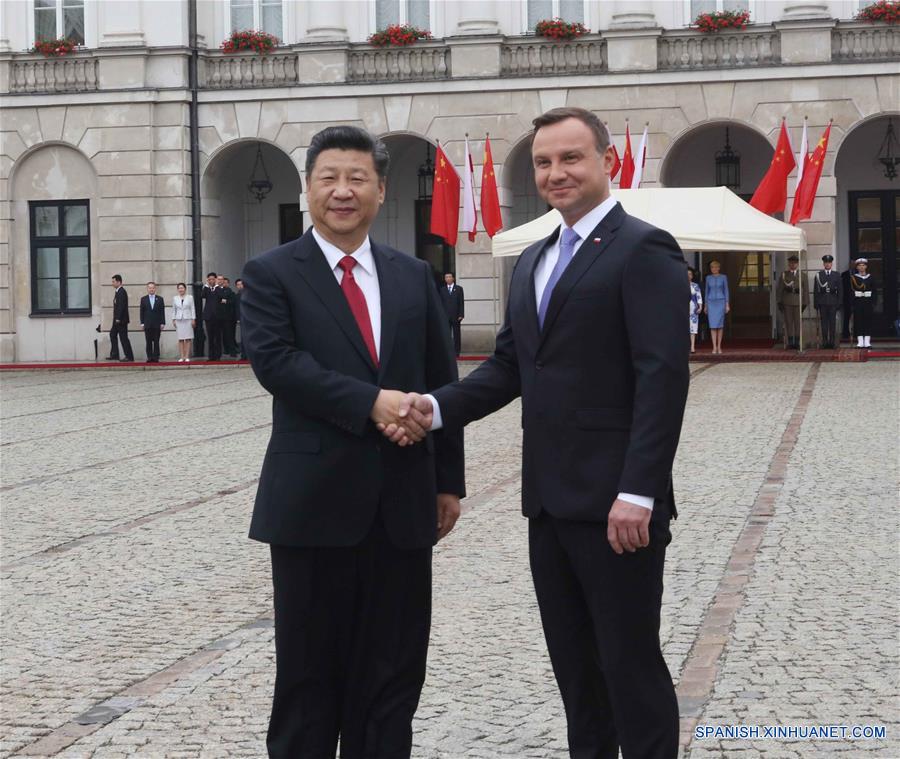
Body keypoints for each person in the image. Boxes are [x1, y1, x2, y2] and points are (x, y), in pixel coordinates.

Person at [383, 107, 688, 759]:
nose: (556, 173)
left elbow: (662, 378)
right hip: (548, 503)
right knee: (578, 675)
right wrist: (433, 410)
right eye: (545, 162)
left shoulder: (644, 248)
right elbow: (506, 369)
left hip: (617, 506)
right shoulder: (534, 260)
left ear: (608, 161)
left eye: (572, 158)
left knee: (630, 667)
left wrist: (639, 489)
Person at [239, 125, 465, 759]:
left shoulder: (412, 274)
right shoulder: (271, 273)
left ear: (380, 189)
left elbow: (440, 378)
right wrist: (372, 403)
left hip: (402, 501)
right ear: (308, 187)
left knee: (392, 677)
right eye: (329, 178)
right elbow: (277, 364)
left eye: (357, 178)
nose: (343, 191)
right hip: (312, 507)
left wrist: (448, 481)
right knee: (309, 679)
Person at [776, 255, 808, 350]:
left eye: (794, 263)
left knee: (798, 323)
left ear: (797, 264)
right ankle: (790, 342)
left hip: (798, 302)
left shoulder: (802, 275)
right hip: (787, 301)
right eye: (791, 263)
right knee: (788, 323)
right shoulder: (784, 275)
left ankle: (797, 342)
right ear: (788, 264)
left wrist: (805, 303)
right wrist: (779, 302)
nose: (792, 265)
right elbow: (779, 289)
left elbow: (806, 290)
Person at [813, 254, 841, 349]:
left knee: (832, 323)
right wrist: (816, 303)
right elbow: (816, 290)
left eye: (829, 262)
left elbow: (840, 290)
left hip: (833, 302)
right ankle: (825, 342)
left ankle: (832, 342)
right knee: (824, 323)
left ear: (831, 264)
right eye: (826, 263)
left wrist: (839, 303)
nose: (828, 264)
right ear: (823, 264)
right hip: (822, 302)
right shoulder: (819, 275)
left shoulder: (836, 275)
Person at [849, 257, 876, 348]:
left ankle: (867, 341)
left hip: (868, 302)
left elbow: (874, 290)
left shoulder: (871, 277)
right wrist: (853, 299)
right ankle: (860, 341)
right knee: (859, 321)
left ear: (866, 267)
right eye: (859, 265)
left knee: (868, 320)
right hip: (858, 301)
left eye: (863, 265)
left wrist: (873, 301)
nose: (861, 267)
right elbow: (851, 291)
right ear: (857, 267)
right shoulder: (854, 278)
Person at [704, 259, 729, 354]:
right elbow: (706, 292)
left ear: (719, 268)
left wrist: (727, 304)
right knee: (713, 326)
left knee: (720, 325)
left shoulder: (723, 277)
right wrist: (705, 305)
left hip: (721, 302)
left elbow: (726, 290)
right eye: (712, 267)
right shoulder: (708, 278)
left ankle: (719, 346)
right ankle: (714, 347)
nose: (713, 269)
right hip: (711, 303)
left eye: (715, 267)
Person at [107, 274, 134, 362]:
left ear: (119, 282)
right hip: (117, 320)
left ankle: (129, 357)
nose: (112, 283)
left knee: (123, 338)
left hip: (121, 320)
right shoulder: (118, 291)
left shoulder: (122, 292)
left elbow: (121, 306)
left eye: (113, 281)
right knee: (112, 334)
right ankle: (115, 354)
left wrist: (118, 318)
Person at [139, 281, 166, 363]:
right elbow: (141, 312)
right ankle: (149, 357)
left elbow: (162, 311)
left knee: (156, 341)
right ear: (147, 289)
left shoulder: (160, 299)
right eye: (150, 288)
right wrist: (142, 323)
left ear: (155, 289)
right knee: (148, 341)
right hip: (147, 323)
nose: (151, 289)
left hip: (157, 323)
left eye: (153, 288)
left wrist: (162, 323)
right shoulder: (143, 299)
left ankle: (156, 357)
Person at [439, 272, 465, 356]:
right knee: (446, 335)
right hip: (446, 316)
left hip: (456, 315)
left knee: (457, 334)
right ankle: (448, 352)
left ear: (453, 278)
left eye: (450, 277)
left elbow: (461, 302)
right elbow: (440, 303)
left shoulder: (459, 289)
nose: (448, 278)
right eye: (446, 277)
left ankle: (457, 352)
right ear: (445, 279)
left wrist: (461, 314)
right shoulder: (442, 290)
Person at [171, 282, 196, 362]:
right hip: (179, 320)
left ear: (185, 289)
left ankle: (187, 356)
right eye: (179, 288)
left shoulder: (190, 297)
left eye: (182, 288)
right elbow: (173, 309)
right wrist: (173, 319)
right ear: (178, 289)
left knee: (188, 338)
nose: (181, 289)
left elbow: (192, 308)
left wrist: (193, 319)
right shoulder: (175, 298)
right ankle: (182, 356)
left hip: (188, 319)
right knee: (181, 339)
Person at [201, 271, 222, 361]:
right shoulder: (207, 289)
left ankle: (218, 355)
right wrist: (206, 285)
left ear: (215, 280)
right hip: (208, 317)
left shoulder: (218, 289)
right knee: (210, 337)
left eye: (213, 279)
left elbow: (221, 296)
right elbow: (202, 295)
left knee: (218, 336)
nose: (211, 281)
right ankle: (211, 356)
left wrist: (216, 285)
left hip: (217, 316)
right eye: (209, 279)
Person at [222, 276, 238, 356]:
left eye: (225, 283)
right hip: (223, 318)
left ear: (228, 283)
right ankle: (226, 349)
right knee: (224, 335)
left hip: (230, 318)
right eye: (223, 282)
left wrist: (226, 301)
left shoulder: (231, 293)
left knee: (230, 335)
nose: (224, 284)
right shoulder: (220, 291)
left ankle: (233, 351)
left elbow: (233, 303)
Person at [688, 266, 702, 353]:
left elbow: (699, 297)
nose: (688, 276)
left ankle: (692, 347)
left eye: (690, 274)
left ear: (692, 276)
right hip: (682, 309)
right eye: (686, 274)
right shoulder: (680, 285)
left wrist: (700, 307)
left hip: (693, 308)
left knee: (693, 329)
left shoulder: (695, 285)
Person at [841, 262, 854, 341]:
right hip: (847, 299)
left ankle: (856, 333)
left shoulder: (857, 273)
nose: (852, 265)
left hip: (856, 299)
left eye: (853, 264)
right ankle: (845, 333)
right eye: (851, 264)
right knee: (846, 317)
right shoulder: (844, 274)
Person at [234, 278, 246, 359]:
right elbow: (237, 308)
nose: (240, 286)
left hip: (250, 318)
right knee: (243, 336)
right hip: (242, 318)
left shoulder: (250, 295)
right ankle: (244, 355)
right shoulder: (236, 296)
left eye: (241, 284)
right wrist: (237, 318)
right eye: (238, 285)